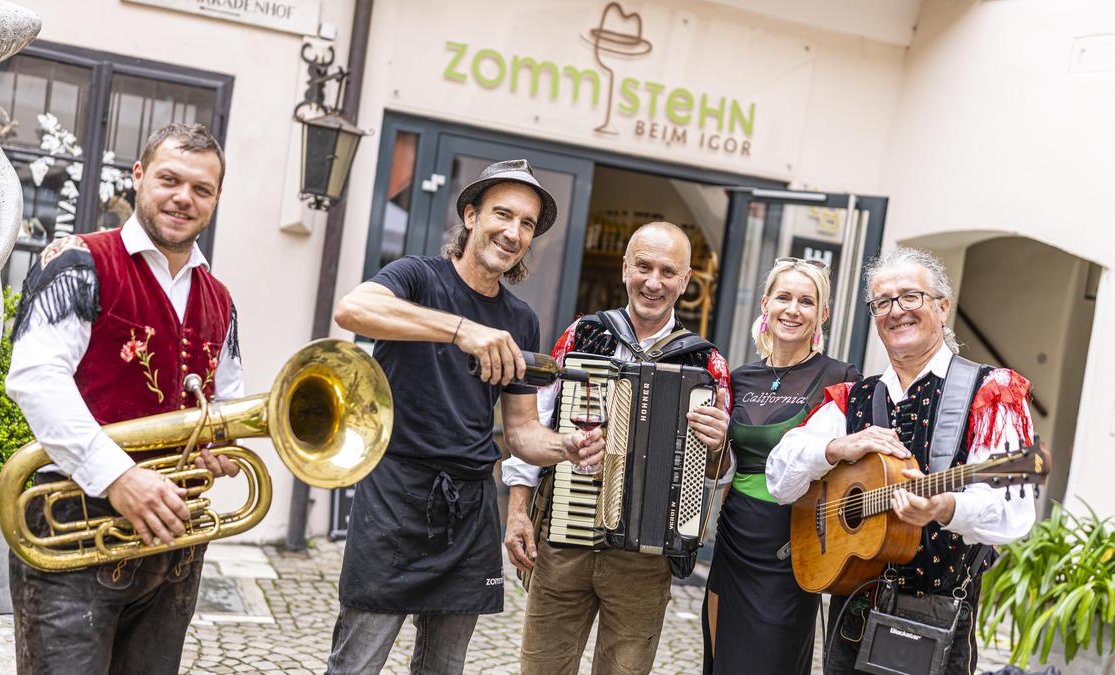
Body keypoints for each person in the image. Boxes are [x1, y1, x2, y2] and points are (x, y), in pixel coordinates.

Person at [327, 159, 603, 675]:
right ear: (471, 215)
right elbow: (352, 310)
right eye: (504, 214)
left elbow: (521, 433)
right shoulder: (416, 277)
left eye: (527, 224)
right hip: (394, 496)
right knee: (356, 666)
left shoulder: (521, 319)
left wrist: (565, 448)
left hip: (470, 508)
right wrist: (460, 329)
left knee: (443, 669)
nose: (514, 232)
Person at [5, 123, 243, 674]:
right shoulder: (79, 261)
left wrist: (220, 445)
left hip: (174, 544)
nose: (184, 198)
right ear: (138, 177)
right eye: (169, 179)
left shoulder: (221, 299)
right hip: (75, 530)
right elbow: (36, 378)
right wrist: (118, 476)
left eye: (201, 189)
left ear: (215, 199)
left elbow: (224, 399)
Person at [766, 247, 1037, 674]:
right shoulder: (852, 399)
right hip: (852, 612)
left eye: (911, 297)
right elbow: (779, 477)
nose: (897, 311)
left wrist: (946, 507)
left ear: (943, 307)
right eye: (883, 302)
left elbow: (1013, 513)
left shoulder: (988, 393)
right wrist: (834, 449)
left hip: (936, 619)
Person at [503, 221, 732, 675]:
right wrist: (517, 511)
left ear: (685, 282)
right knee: (540, 668)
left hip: (644, 558)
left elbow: (719, 472)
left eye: (668, 271)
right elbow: (532, 425)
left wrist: (719, 443)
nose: (653, 282)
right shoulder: (582, 337)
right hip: (564, 541)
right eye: (643, 266)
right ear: (625, 268)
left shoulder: (706, 364)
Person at [702, 257, 861, 674]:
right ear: (765, 304)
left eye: (806, 301)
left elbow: (850, 466)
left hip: (793, 542)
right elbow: (723, 463)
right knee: (722, 662)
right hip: (735, 534)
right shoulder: (740, 378)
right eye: (784, 297)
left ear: (821, 315)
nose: (793, 309)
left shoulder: (841, 377)